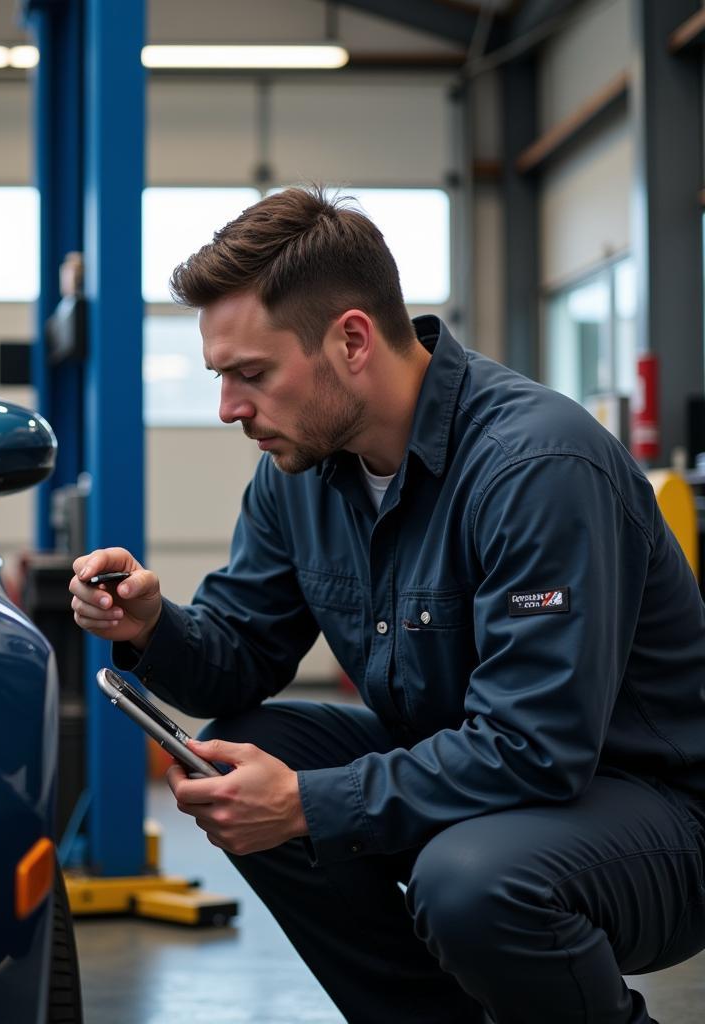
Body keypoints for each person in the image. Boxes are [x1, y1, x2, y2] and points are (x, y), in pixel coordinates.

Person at [68, 186, 705, 1024]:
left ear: (353, 340)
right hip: (483, 778)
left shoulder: (537, 467)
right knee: (240, 753)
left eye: (251, 375)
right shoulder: (297, 476)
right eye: (221, 378)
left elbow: (536, 748)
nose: (229, 409)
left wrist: (308, 802)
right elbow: (240, 662)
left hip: (652, 814)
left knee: (471, 880)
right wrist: (153, 625)